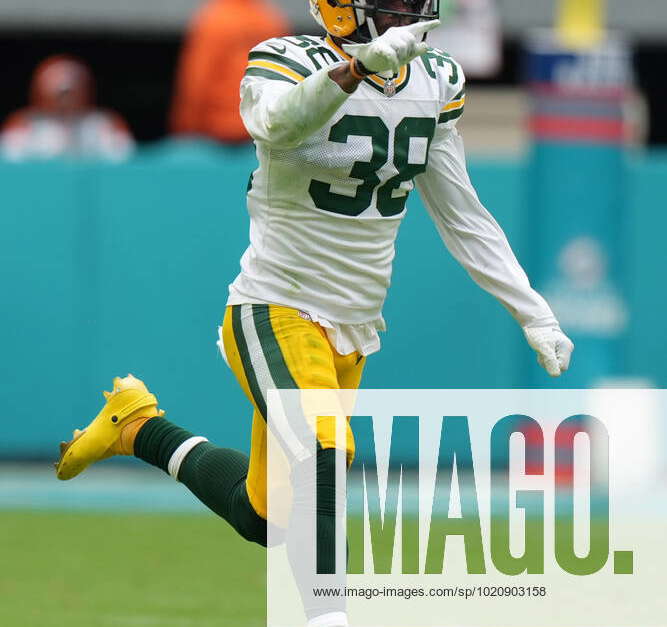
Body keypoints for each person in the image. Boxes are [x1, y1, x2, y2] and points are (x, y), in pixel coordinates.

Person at [56, 2, 574, 626]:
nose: (410, 11)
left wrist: (532, 310)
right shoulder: (289, 59)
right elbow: (272, 124)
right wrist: (353, 71)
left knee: (268, 518)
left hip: (351, 327)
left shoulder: (435, 79)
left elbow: (462, 214)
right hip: (275, 305)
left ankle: (136, 427)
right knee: (322, 457)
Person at [170, 0, 289, 143]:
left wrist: (184, 127)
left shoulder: (215, 19)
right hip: (263, 131)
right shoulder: (270, 19)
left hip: (218, 132)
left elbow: (197, 81)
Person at [1, 55, 134, 162]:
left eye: (71, 94)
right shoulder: (23, 123)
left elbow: (123, 160)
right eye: (60, 95)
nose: (65, 101)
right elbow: (10, 162)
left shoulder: (105, 123)